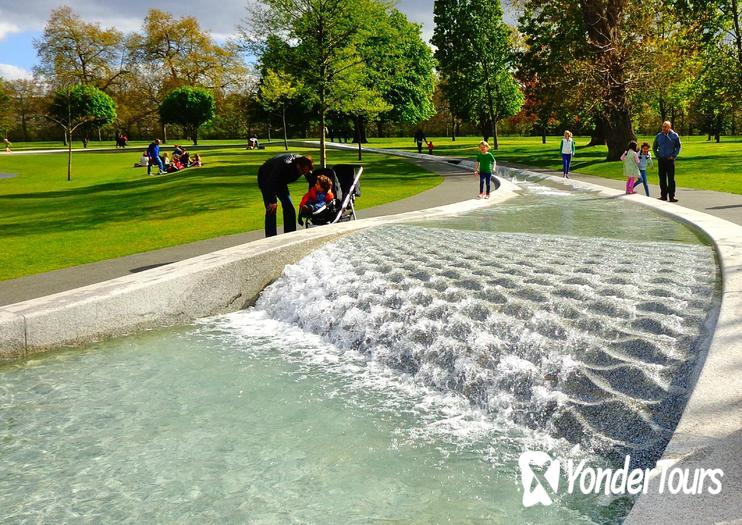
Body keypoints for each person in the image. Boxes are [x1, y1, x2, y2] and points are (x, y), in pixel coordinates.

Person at [257, 153, 314, 237]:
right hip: (266, 178)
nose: (304, 174)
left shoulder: (305, 165)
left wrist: (313, 195)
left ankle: (290, 234)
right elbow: (272, 180)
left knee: (289, 207)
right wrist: (272, 200)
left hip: (280, 181)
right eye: (303, 171)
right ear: (298, 166)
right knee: (271, 209)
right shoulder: (284, 165)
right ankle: (271, 237)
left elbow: (312, 182)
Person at [653, 121, 681, 202]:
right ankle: (663, 196)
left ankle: (672, 196)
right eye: (663, 126)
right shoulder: (659, 136)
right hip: (661, 160)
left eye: (665, 127)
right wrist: (658, 156)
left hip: (670, 160)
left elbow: (678, 147)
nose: (663, 128)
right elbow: (654, 147)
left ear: (669, 127)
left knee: (671, 179)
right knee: (662, 178)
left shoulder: (674, 136)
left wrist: (674, 156)